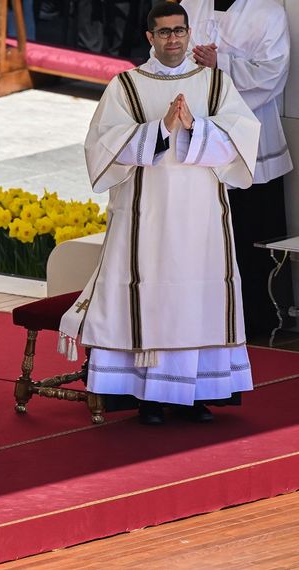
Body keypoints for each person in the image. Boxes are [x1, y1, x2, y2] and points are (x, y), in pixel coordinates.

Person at [58, 2, 261, 425]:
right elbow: (102, 146)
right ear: (149, 38)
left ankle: (197, 393)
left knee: (196, 298)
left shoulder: (216, 83)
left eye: (180, 31)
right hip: (145, 216)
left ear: (189, 34)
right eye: (164, 32)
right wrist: (162, 129)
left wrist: (195, 128)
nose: (173, 39)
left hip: (202, 217)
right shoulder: (127, 85)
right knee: (152, 297)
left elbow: (244, 139)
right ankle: (149, 396)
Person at [180, 0, 293, 336]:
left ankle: (255, 320)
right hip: (198, 132)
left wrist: (221, 64)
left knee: (249, 233)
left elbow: (274, 72)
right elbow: (170, 54)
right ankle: (205, 318)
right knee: (203, 236)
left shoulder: (269, 12)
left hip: (250, 136)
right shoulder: (191, 4)